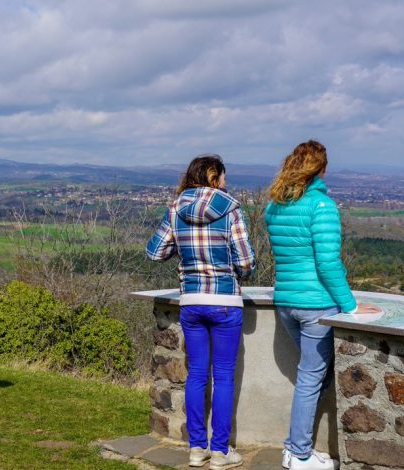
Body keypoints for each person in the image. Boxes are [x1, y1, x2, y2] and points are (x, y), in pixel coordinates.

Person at [265, 140, 379, 470]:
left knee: (316, 372)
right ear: (322, 169)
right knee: (312, 376)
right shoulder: (322, 206)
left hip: (285, 301)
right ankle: (298, 452)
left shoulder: (274, 206)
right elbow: (328, 262)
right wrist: (351, 305)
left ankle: (297, 448)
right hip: (316, 305)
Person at [147, 155, 255, 470]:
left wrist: (182, 249)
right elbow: (246, 263)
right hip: (224, 301)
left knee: (196, 375)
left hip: (191, 301)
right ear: (213, 177)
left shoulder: (176, 208)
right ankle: (220, 452)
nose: (225, 182)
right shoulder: (231, 209)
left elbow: (155, 252)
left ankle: (197, 449)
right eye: (223, 177)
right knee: (222, 377)